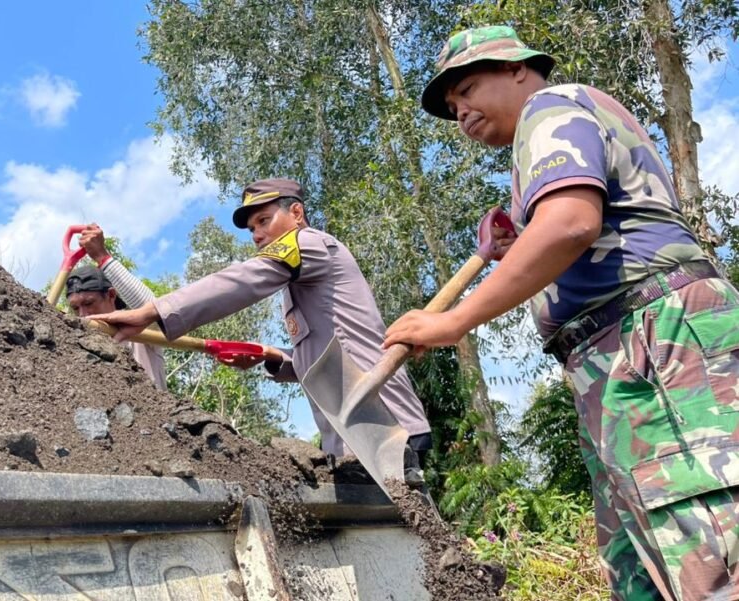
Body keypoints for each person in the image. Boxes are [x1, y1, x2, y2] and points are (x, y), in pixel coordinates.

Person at [387, 25, 739, 600]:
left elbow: (571, 223)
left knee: (708, 556)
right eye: (453, 107)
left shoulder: (550, 107)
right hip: (617, 361)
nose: (461, 111)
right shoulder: (552, 124)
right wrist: (519, 234)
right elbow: (573, 224)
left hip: (656, 346)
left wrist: (453, 322)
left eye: (469, 88)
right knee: (645, 571)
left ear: (518, 69)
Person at [91, 179, 432, 465]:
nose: (256, 234)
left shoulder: (309, 243)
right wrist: (271, 356)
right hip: (351, 435)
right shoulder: (300, 285)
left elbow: (241, 281)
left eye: (264, 221)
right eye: (252, 228)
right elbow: (325, 358)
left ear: (296, 213)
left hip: (382, 423)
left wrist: (150, 312)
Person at [65, 263, 167, 390]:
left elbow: (159, 313)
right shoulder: (76, 340)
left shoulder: (138, 328)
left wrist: (105, 260)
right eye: (75, 308)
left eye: (89, 303)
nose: (82, 315)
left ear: (111, 295)